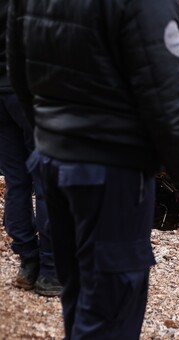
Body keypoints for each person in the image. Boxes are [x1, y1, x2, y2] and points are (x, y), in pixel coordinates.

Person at [7, 0, 179, 338]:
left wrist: (51, 135)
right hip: (112, 171)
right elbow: (170, 99)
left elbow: (19, 69)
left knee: (79, 294)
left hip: (55, 160)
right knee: (109, 311)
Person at [0, 2, 61, 297]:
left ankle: (28, 261)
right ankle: (50, 271)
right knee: (47, 183)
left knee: (16, 182)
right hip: (30, 91)